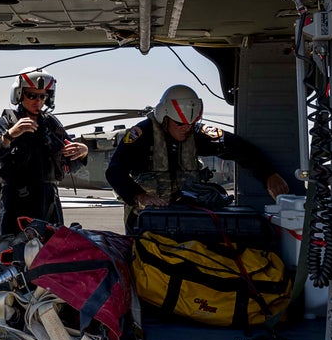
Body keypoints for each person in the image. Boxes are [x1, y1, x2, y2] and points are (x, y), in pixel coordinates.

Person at [105, 84, 289, 232]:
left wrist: (268, 174)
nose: (187, 128)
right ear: (165, 117)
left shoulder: (196, 133)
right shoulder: (141, 134)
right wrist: (141, 195)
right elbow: (114, 171)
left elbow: (239, 148)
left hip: (185, 218)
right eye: (180, 124)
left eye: (191, 124)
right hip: (145, 218)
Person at [0, 67, 89, 235]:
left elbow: (68, 165)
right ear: (20, 94)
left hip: (49, 205)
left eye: (42, 96)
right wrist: (9, 136)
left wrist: (83, 152)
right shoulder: (5, 123)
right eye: (32, 95)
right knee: (14, 255)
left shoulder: (52, 125)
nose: (38, 101)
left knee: (52, 257)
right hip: (17, 206)